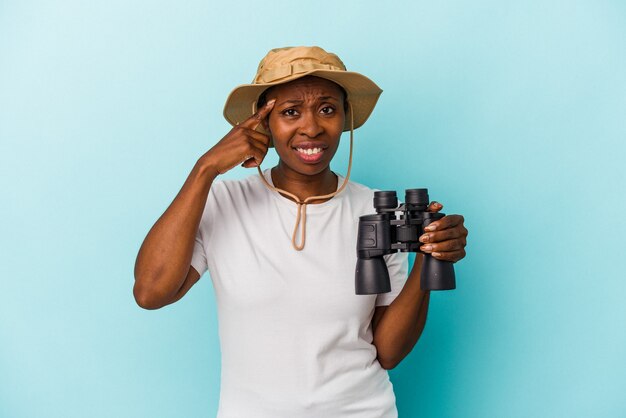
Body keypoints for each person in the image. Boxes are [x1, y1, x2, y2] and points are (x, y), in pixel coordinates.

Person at [133, 46, 468, 417]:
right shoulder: (224, 201)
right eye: (290, 112)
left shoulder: (374, 209)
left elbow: (388, 352)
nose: (311, 127)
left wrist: (428, 254)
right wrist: (205, 169)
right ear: (262, 123)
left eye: (327, 109)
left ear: (344, 117)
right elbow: (151, 292)